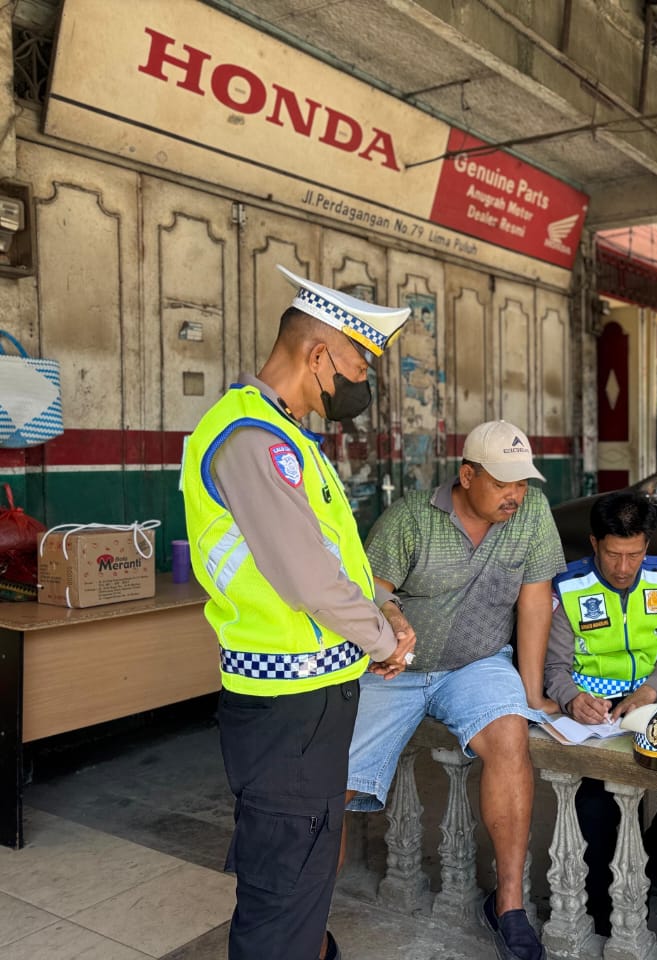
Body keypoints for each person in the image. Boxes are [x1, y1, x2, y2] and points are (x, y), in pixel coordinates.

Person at [181, 266, 416, 960]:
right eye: (355, 363)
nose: (360, 385)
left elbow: (338, 559)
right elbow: (309, 579)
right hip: (285, 706)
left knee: (305, 864)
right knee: (283, 878)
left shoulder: (289, 439)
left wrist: (385, 611)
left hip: (310, 697)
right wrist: (383, 641)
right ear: (318, 356)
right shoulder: (253, 440)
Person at [350, 419, 565, 960]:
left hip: (478, 663)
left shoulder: (532, 513)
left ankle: (509, 905)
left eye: (522, 482)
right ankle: (300, 917)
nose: (515, 494)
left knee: (511, 737)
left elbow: (535, 601)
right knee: (337, 781)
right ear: (467, 475)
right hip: (395, 669)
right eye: (502, 482)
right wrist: (391, 618)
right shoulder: (409, 520)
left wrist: (533, 693)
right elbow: (368, 591)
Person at [543, 490, 657, 935]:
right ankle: (605, 913)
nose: (624, 568)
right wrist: (572, 698)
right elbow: (552, 666)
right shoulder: (568, 588)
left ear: (647, 546)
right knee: (596, 804)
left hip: (650, 701)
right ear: (594, 543)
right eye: (613, 554)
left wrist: (650, 691)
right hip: (590, 714)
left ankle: (647, 870)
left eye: (634, 555)